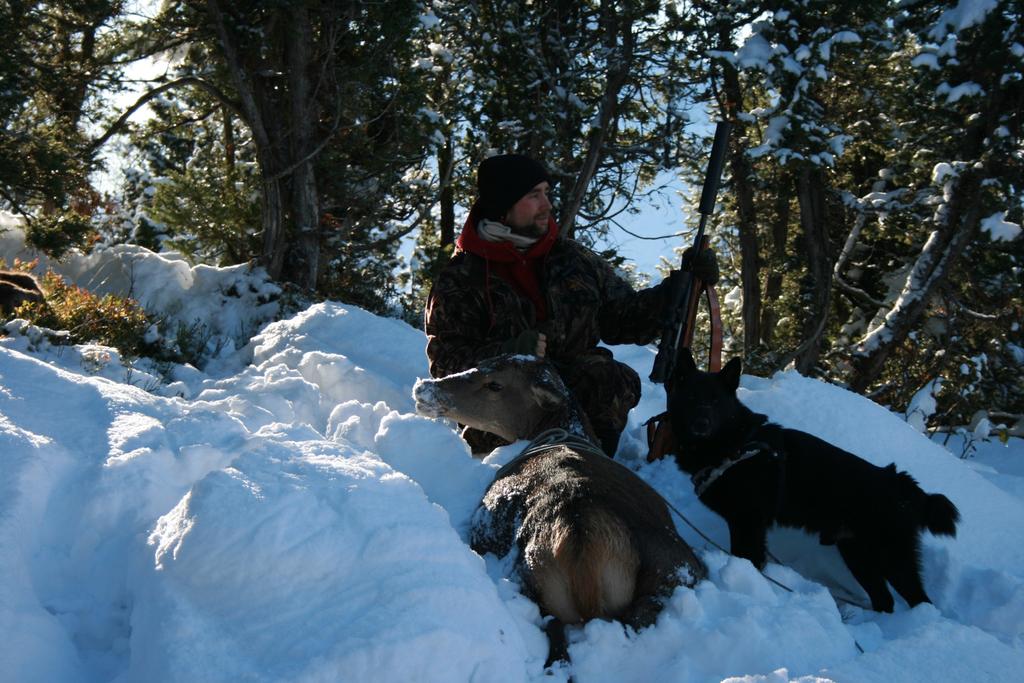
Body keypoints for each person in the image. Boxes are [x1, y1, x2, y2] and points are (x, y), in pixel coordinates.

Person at [424, 154, 718, 457]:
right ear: (502, 207)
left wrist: (679, 288)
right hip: (508, 412)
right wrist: (507, 354)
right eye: (533, 195)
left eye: (546, 193)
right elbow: (446, 365)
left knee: (608, 375)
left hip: (580, 398)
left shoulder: (573, 259)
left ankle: (594, 465)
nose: (547, 205)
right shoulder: (460, 278)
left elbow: (625, 319)